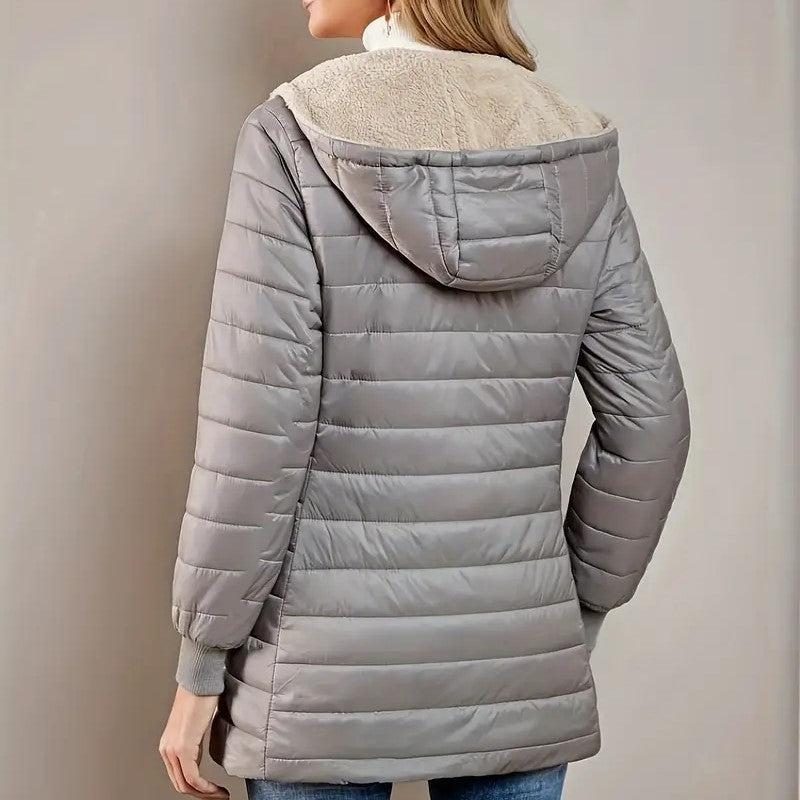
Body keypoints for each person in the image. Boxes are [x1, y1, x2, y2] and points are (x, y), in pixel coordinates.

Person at [159, 1, 691, 798]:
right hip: (517, 663)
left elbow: (255, 437)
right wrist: (570, 615)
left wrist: (202, 665)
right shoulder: (571, 146)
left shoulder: (292, 135)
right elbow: (652, 422)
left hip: (318, 680)